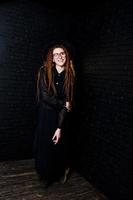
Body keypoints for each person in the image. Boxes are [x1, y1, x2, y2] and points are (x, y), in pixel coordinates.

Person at [33, 42, 75, 188]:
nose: (59, 56)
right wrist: (63, 104)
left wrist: (59, 127)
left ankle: (59, 172)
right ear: (52, 57)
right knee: (45, 144)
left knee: (58, 145)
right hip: (45, 115)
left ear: (66, 56)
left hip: (59, 116)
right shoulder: (44, 71)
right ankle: (44, 174)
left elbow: (68, 102)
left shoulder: (70, 76)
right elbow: (45, 96)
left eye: (62, 53)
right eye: (56, 54)